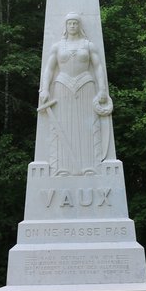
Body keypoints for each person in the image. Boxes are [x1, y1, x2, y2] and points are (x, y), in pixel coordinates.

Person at [39, 13, 112, 175]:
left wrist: (102, 89)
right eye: (69, 23)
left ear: (79, 26)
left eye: (75, 23)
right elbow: (49, 69)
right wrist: (44, 89)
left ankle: (90, 167)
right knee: (64, 126)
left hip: (86, 84)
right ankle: (62, 168)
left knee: (87, 126)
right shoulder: (57, 46)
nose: (72, 26)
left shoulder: (88, 45)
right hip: (62, 86)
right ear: (65, 26)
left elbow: (98, 67)